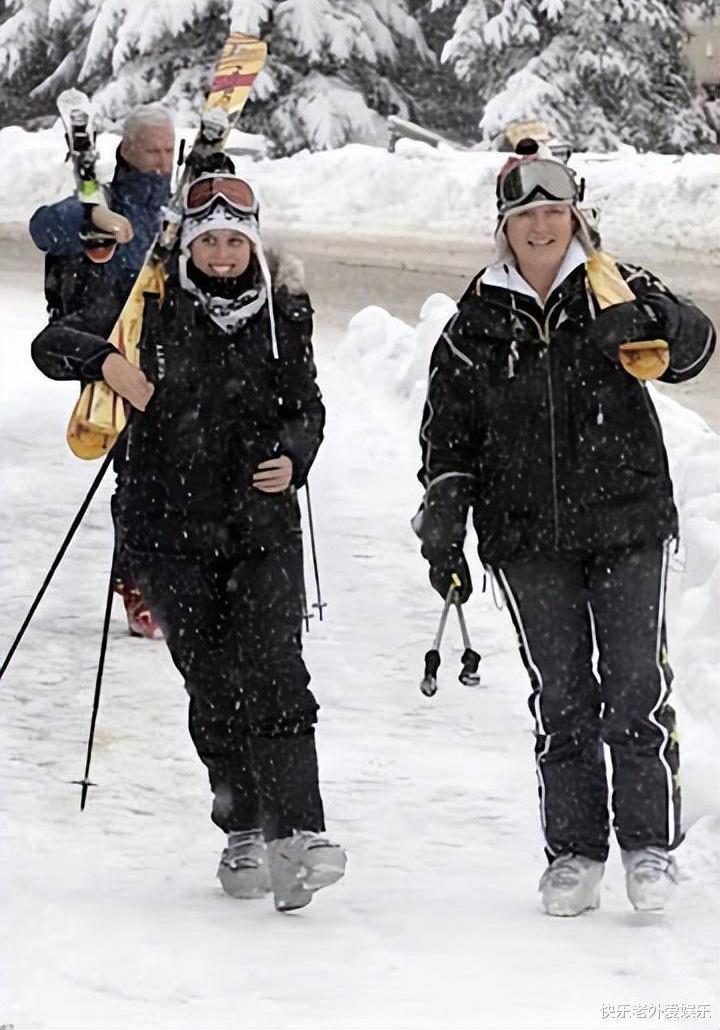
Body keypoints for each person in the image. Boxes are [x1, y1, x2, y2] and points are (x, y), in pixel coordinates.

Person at [31, 169, 347, 912]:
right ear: (192, 247)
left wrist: (296, 457)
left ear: (254, 244)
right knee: (212, 682)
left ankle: (298, 832)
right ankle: (242, 826)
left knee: (276, 671)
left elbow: (307, 406)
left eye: (237, 240)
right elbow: (53, 343)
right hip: (167, 528)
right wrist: (112, 364)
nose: (225, 253)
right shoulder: (150, 301)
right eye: (212, 241)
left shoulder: (283, 310)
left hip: (261, 527)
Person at [415, 139, 716, 917]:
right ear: (504, 226)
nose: (542, 228)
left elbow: (695, 347)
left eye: (554, 212)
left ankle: (649, 847)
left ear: (574, 215)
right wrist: (445, 509)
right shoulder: (475, 320)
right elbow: (447, 436)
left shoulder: (613, 285)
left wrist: (654, 319)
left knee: (636, 692)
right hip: (526, 539)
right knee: (563, 700)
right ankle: (574, 852)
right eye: (527, 216)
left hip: (628, 523)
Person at [29, 103, 176, 638]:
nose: (163, 162)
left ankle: (171, 579)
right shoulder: (101, 202)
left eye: (169, 150)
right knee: (138, 474)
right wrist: (92, 220)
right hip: (93, 336)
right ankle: (141, 583)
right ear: (127, 151)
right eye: (152, 151)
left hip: (162, 351)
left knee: (168, 473)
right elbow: (44, 227)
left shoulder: (180, 208)